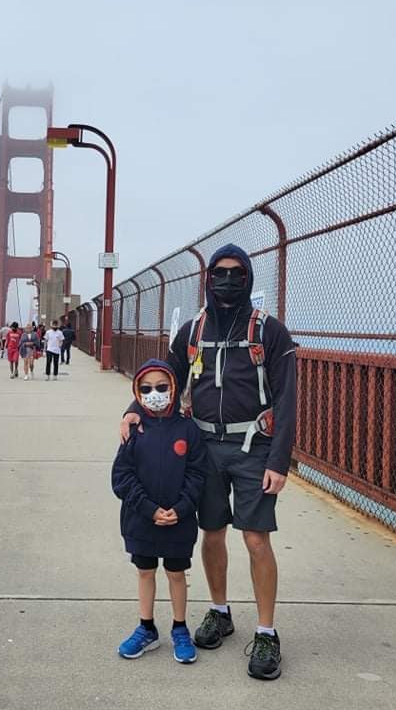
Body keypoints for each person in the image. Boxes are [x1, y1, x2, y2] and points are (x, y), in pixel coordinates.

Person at [119, 243, 296, 681]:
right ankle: (220, 612)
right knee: (211, 534)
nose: (228, 280)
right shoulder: (193, 331)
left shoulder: (270, 332)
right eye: (220, 272)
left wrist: (280, 460)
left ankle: (267, 632)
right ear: (209, 277)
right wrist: (133, 409)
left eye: (237, 273)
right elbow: (164, 376)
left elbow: (288, 400)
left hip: (254, 446)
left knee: (256, 539)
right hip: (203, 446)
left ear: (249, 277)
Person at [112, 359, 206, 664]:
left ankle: (180, 628)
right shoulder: (134, 429)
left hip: (179, 522)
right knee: (145, 571)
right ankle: (146, 627)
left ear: (174, 389)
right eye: (147, 389)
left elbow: (197, 474)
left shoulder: (188, 430)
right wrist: (149, 510)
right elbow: (122, 477)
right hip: (141, 521)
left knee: (177, 573)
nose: (155, 394)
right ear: (137, 394)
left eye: (162, 387)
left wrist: (181, 508)